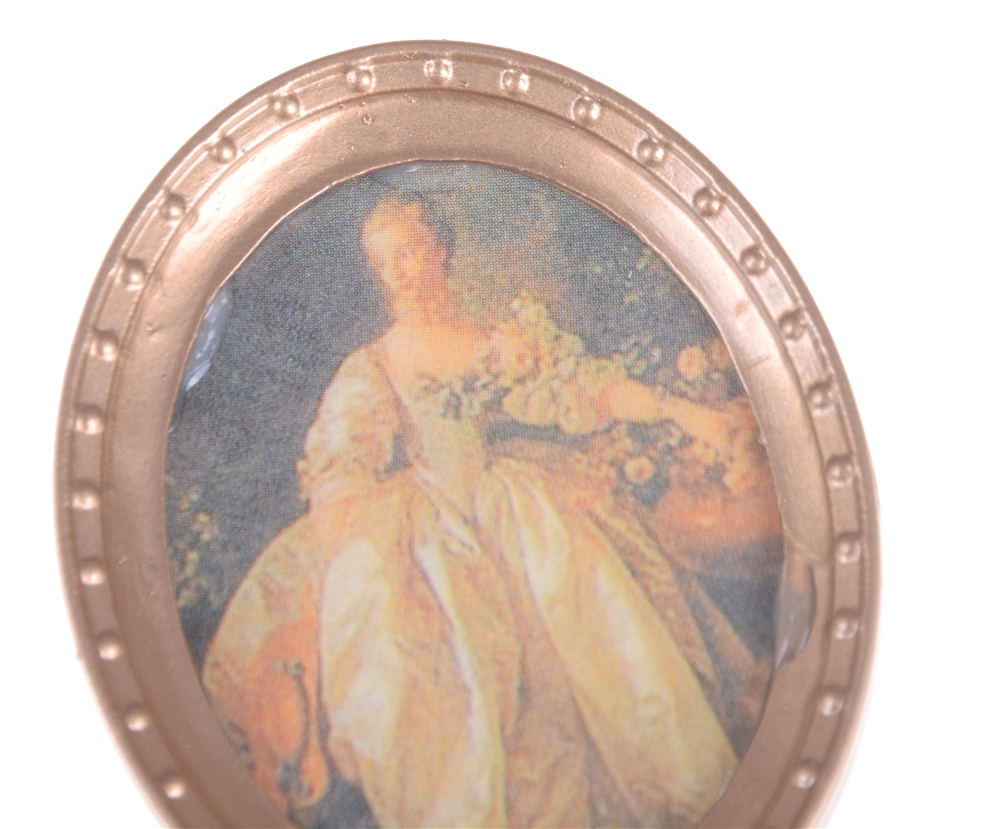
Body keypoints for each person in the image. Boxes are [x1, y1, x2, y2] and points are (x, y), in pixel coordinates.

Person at [203, 195, 749, 829]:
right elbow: (341, 467)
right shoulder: (378, 362)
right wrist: (340, 554)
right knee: (424, 668)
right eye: (385, 262)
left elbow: (587, 390)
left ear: (440, 248)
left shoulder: (502, 338)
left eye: (409, 252)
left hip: (513, 510)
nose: (399, 272)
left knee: (585, 624)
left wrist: (682, 412)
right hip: (425, 528)